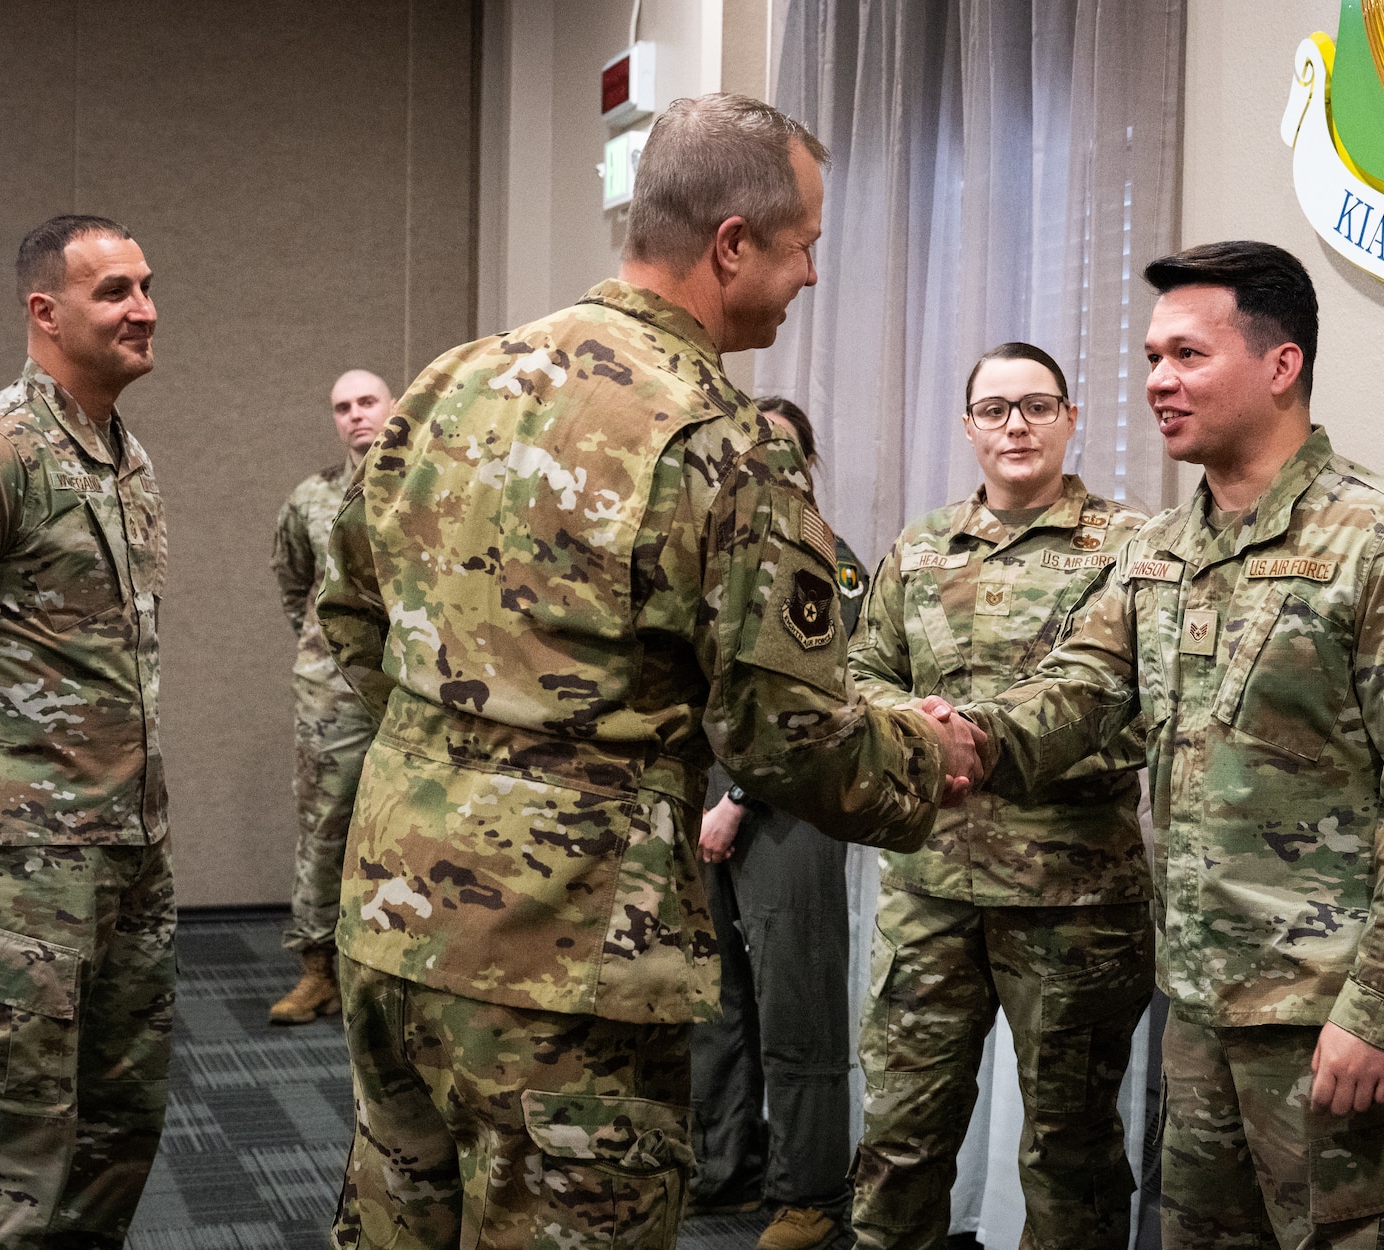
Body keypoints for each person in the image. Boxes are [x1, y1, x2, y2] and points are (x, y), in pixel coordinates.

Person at [316, 93, 985, 1250]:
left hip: (392, 909)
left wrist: (464, 765)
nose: (812, 276)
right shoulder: (718, 443)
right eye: (805, 245)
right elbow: (788, 738)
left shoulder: (454, 379)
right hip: (567, 956)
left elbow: (349, 613)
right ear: (733, 243)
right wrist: (932, 753)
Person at [947, 241, 1384, 1248]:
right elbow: (1077, 693)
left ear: (1279, 364)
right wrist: (955, 739)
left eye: (1186, 354)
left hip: (1330, 1024)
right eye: (1151, 356)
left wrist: (1380, 1010)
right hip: (1202, 1011)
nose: (1158, 380)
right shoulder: (1160, 551)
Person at [848, 342, 1153, 1250]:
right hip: (929, 890)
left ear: (1070, 417)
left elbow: (1139, 703)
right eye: (994, 409)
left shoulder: (1131, 548)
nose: (1015, 425)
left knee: (1070, 1155)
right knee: (900, 1138)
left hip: (1072, 899)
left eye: (1036, 406)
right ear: (969, 426)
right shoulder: (921, 546)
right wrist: (917, 720)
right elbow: (861, 671)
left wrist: (976, 735)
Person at [0, 214, 171, 1248]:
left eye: (146, 285)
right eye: (113, 291)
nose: (143, 307)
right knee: (3, 1159)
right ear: (43, 311)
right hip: (12, 868)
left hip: (127, 855)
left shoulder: (126, 459)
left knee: (117, 1132)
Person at [690, 396, 868, 1250]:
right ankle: (723, 1169)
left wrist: (738, 800)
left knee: (798, 1007)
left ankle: (810, 1193)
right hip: (702, 802)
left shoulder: (831, 567)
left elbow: (819, 706)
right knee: (714, 1000)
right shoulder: (714, 554)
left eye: (782, 453)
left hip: (786, 806)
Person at [265, 368, 390, 1024]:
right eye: (342, 406)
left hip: (411, 690)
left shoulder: (425, 486)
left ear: (392, 407)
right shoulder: (312, 498)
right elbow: (292, 580)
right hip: (332, 694)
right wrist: (324, 648)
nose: (355, 415)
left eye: (367, 401)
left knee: (404, 831)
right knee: (324, 828)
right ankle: (318, 970)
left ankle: (385, 975)